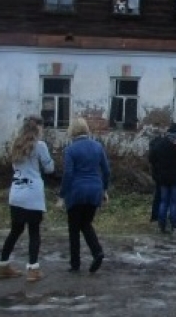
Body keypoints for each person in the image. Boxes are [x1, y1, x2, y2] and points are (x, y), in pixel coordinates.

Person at [0, 115, 54, 281]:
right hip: (33, 193)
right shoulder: (40, 146)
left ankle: (2, 264)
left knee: (15, 230)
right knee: (34, 231)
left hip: (16, 192)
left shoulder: (16, 144)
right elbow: (49, 168)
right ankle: (33, 269)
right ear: (39, 128)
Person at [59, 117, 111, 273]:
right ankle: (97, 251)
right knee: (86, 223)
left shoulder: (70, 149)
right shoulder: (98, 147)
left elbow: (68, 173)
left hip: (76, 191)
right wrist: (105, 190)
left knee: (73, 228)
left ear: (72, 131)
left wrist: (62, 195)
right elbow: (107, 170)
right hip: (95, 189)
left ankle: (75, 264)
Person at [149, 123, 176, 234]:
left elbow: (151, 158)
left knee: (164, 202)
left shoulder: (160, 144)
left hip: (163, 178)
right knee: (174, 202)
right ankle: (175, 225)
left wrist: (159, 169)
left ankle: (162, 224)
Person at [147, 131, 164, 222]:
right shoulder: (161, 151)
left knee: (158, 195)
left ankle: (154, 216)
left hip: (156, 174)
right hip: (163, 174)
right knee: (163, 197)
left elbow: (151, 161)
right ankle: (160, 216)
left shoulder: (153, 150)